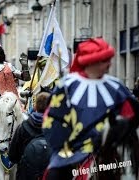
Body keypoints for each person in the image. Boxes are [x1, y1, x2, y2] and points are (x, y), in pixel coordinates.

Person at [42, 38, 139, 179]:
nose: (109, 64)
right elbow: (51, 122)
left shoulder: (116, 87)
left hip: (109, 151)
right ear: (92, 62)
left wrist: (121, 127)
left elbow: (132, 117)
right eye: (105, 60)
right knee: (54, 175)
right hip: (72, 153)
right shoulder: (66, 86)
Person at [9, 92, 51, 180]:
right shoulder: (57, 127)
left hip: (26, 174)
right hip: (49, 173)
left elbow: (13, 155)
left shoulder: (23, 127)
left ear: (35, 107)